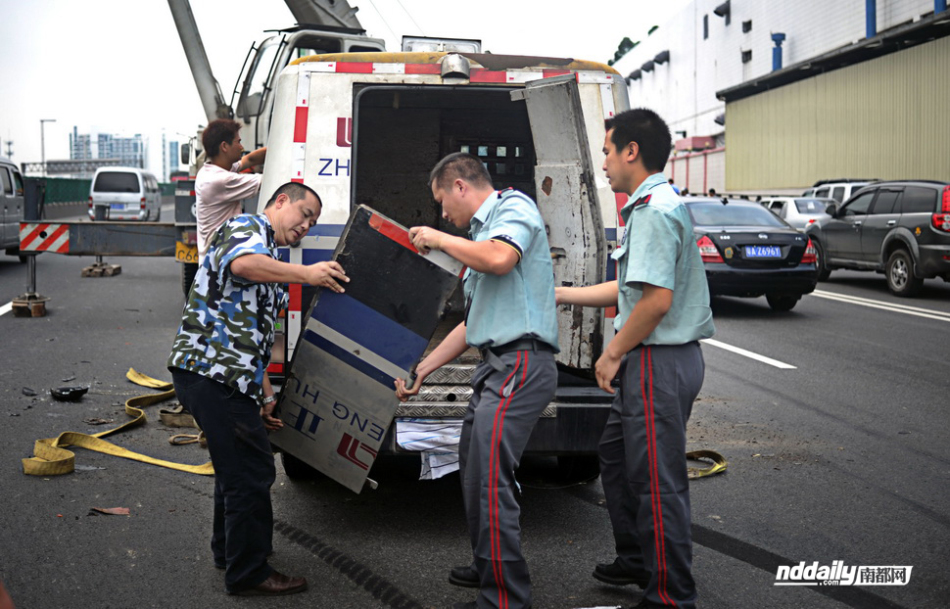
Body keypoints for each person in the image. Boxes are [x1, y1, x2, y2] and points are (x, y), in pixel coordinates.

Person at [556, 109, 715, 609]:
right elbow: (630, 288)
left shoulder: (653, 211)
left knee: (656, 483)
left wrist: (612, 352)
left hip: (657, 364)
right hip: (654, 361)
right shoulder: (650, 205)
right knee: (616, 457)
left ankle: (671, 594)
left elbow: (655, 303)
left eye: (607, 151)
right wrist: (560, 293)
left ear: (631, 151)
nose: (603, 162)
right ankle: (638, 558)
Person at [167, 182, 349, 596]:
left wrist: (265, 395)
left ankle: (229, 552)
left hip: (227, 377)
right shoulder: (247, 227)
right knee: (252, 471)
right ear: (281, 201)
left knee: (235, 469)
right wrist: (308, 274)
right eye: (305, 214)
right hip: (211, 374)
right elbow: (242, 265)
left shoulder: (270, 256)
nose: (306, 226)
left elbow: (255, 339)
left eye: (313, 222)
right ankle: (248, 572)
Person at [395, 152, 558, 609]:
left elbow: (501, 259)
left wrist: (440, 239)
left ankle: (504, 598)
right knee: (473, 470)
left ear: (461, 187)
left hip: (520, 364)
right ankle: (489, 565)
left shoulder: (513, 208)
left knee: (490, 480)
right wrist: (423, 369)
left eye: (442, 203)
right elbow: (473, 323)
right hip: (495, 365)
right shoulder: (479, 238)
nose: (443, 214)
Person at [196, 119, 267, 262]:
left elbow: (250, 160)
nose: (242, 147)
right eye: (238, 142)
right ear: (224, 146)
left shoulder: (209, 171)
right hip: (219, 264)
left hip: (217, 257)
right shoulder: (220, 180)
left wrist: (280, 147)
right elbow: (268, 180)